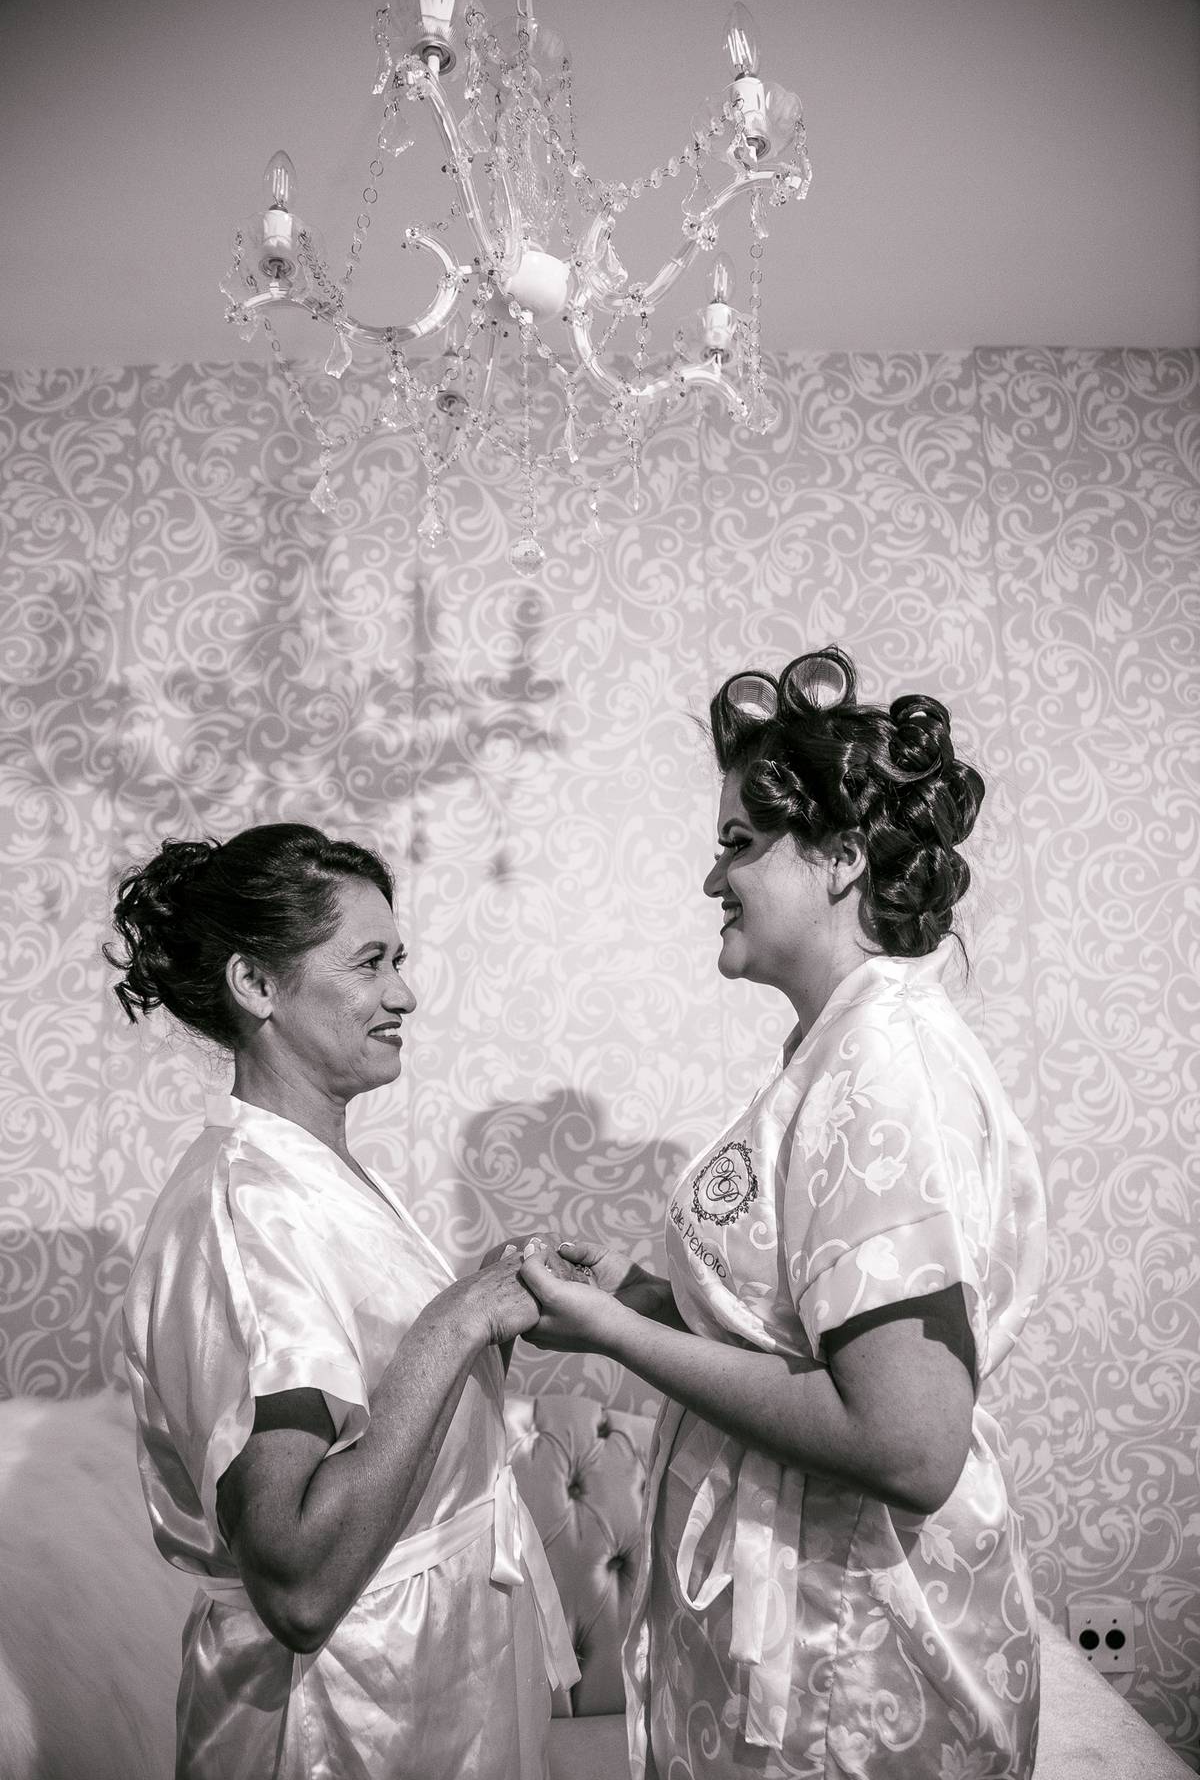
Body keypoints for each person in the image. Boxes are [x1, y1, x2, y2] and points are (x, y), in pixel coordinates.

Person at [519, 648, 1047, 1780]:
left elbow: (906, 1440)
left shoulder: (883, 1068)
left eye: (739, 843)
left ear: (844, 857)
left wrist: (617, 1336)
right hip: (805, 1638)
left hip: (850, 1673)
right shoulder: (834, 1053)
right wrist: (634, 1294)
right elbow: (794, 1325)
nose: (713, 878)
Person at [113, 823, 578, 1780]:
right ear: (256, 984)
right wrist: (455, 1320)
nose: (405, 993)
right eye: (370, 963)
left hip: (437, 1681)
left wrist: (490, 1302)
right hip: (337, 1718)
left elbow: (375, 1410)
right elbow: (296, 1581)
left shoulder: (323, 1176)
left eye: (398, 960)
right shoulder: (242, 1213)